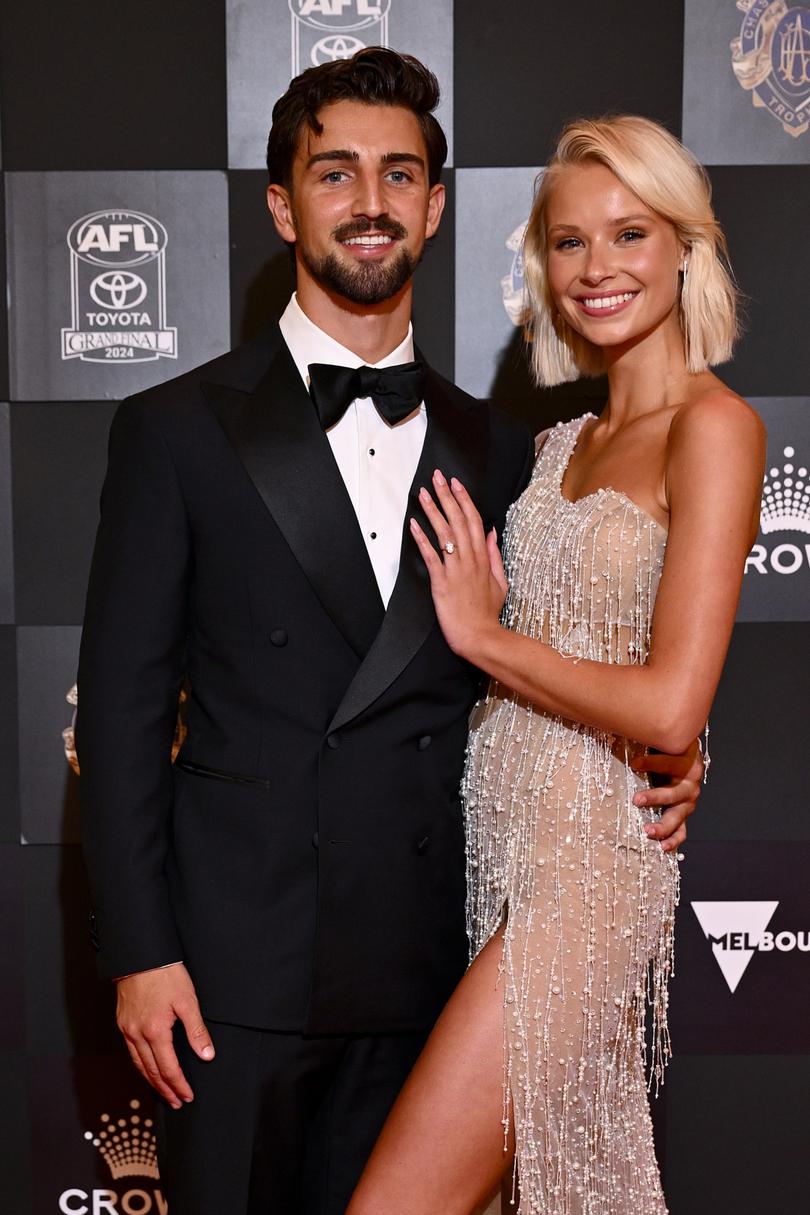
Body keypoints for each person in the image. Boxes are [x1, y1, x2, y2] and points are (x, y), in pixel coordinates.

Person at [77, 51, 702, 1214]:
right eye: (336, 174)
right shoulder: (174, 430)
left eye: (399, 174)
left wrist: (672, 748)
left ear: (435, 204)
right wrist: (138, 952)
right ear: (282, 205)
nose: (370, 202)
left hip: (431, 970)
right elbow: (118, 711)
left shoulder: (507, 453)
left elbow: (570, 662)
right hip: (230, 981)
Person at [348, 116, 765, 1215]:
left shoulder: (712, 428)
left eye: (630, 233)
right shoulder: (556, 445)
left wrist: (486, 638)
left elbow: (673, 699)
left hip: (588, 876)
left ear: (686, 246)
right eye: (569, 242)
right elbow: (606, 654)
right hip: (501, 854)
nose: (598, 269)